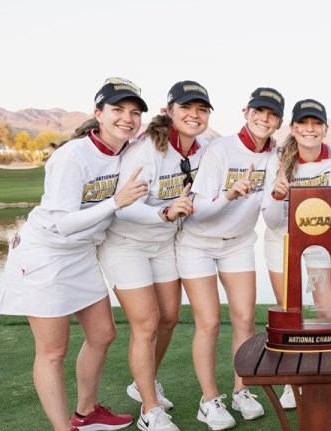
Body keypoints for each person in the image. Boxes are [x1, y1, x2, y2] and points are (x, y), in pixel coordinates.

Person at [0, 77, 149, 431]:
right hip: (45, 254)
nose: (127, 118)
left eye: (134, 112)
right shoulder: (71, 157)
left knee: (102, 334)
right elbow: (64, 224)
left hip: (81, 254)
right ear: (98, 113)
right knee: (53, 351)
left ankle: (86, 412)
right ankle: (63, 428)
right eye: (118, 110)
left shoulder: (127, 150)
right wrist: (116, 201)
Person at [97, 80, 213, 431]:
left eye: (202, 109)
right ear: (169, 111)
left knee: (169, 318)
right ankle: (149, 410)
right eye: (186, 108)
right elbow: (122, 206)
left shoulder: (202, 148)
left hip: (163, 243)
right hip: (126, 242)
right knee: (146, 323)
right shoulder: (146, 149)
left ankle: (141, 382)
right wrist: (164, 213)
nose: (194, 115)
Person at [177, 87, 285, 429]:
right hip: (197, 243)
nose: (264, 119)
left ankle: (242, 390)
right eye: (258, 111)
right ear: (246, 112)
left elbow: (270, 215)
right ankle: (208, 400)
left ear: (279, 121)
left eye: (271, 114)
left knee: (244, 320)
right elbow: (198, 214)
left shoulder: (275, 155)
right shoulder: (221, 148)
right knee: (208, 322)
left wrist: (280, 196)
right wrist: (229, 193)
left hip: (238, 243)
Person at [261, 98, 331, 408]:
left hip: (322, 248)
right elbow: (270, 220)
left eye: (316, 123)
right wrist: (276, 194)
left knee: (326, 315)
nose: (309, 129)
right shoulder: (277, 160)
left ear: (325, 128)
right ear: (293, 127)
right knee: (290, 315)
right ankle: (290, 383)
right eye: (303, 123)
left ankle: (325, 377)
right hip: (283, 245)